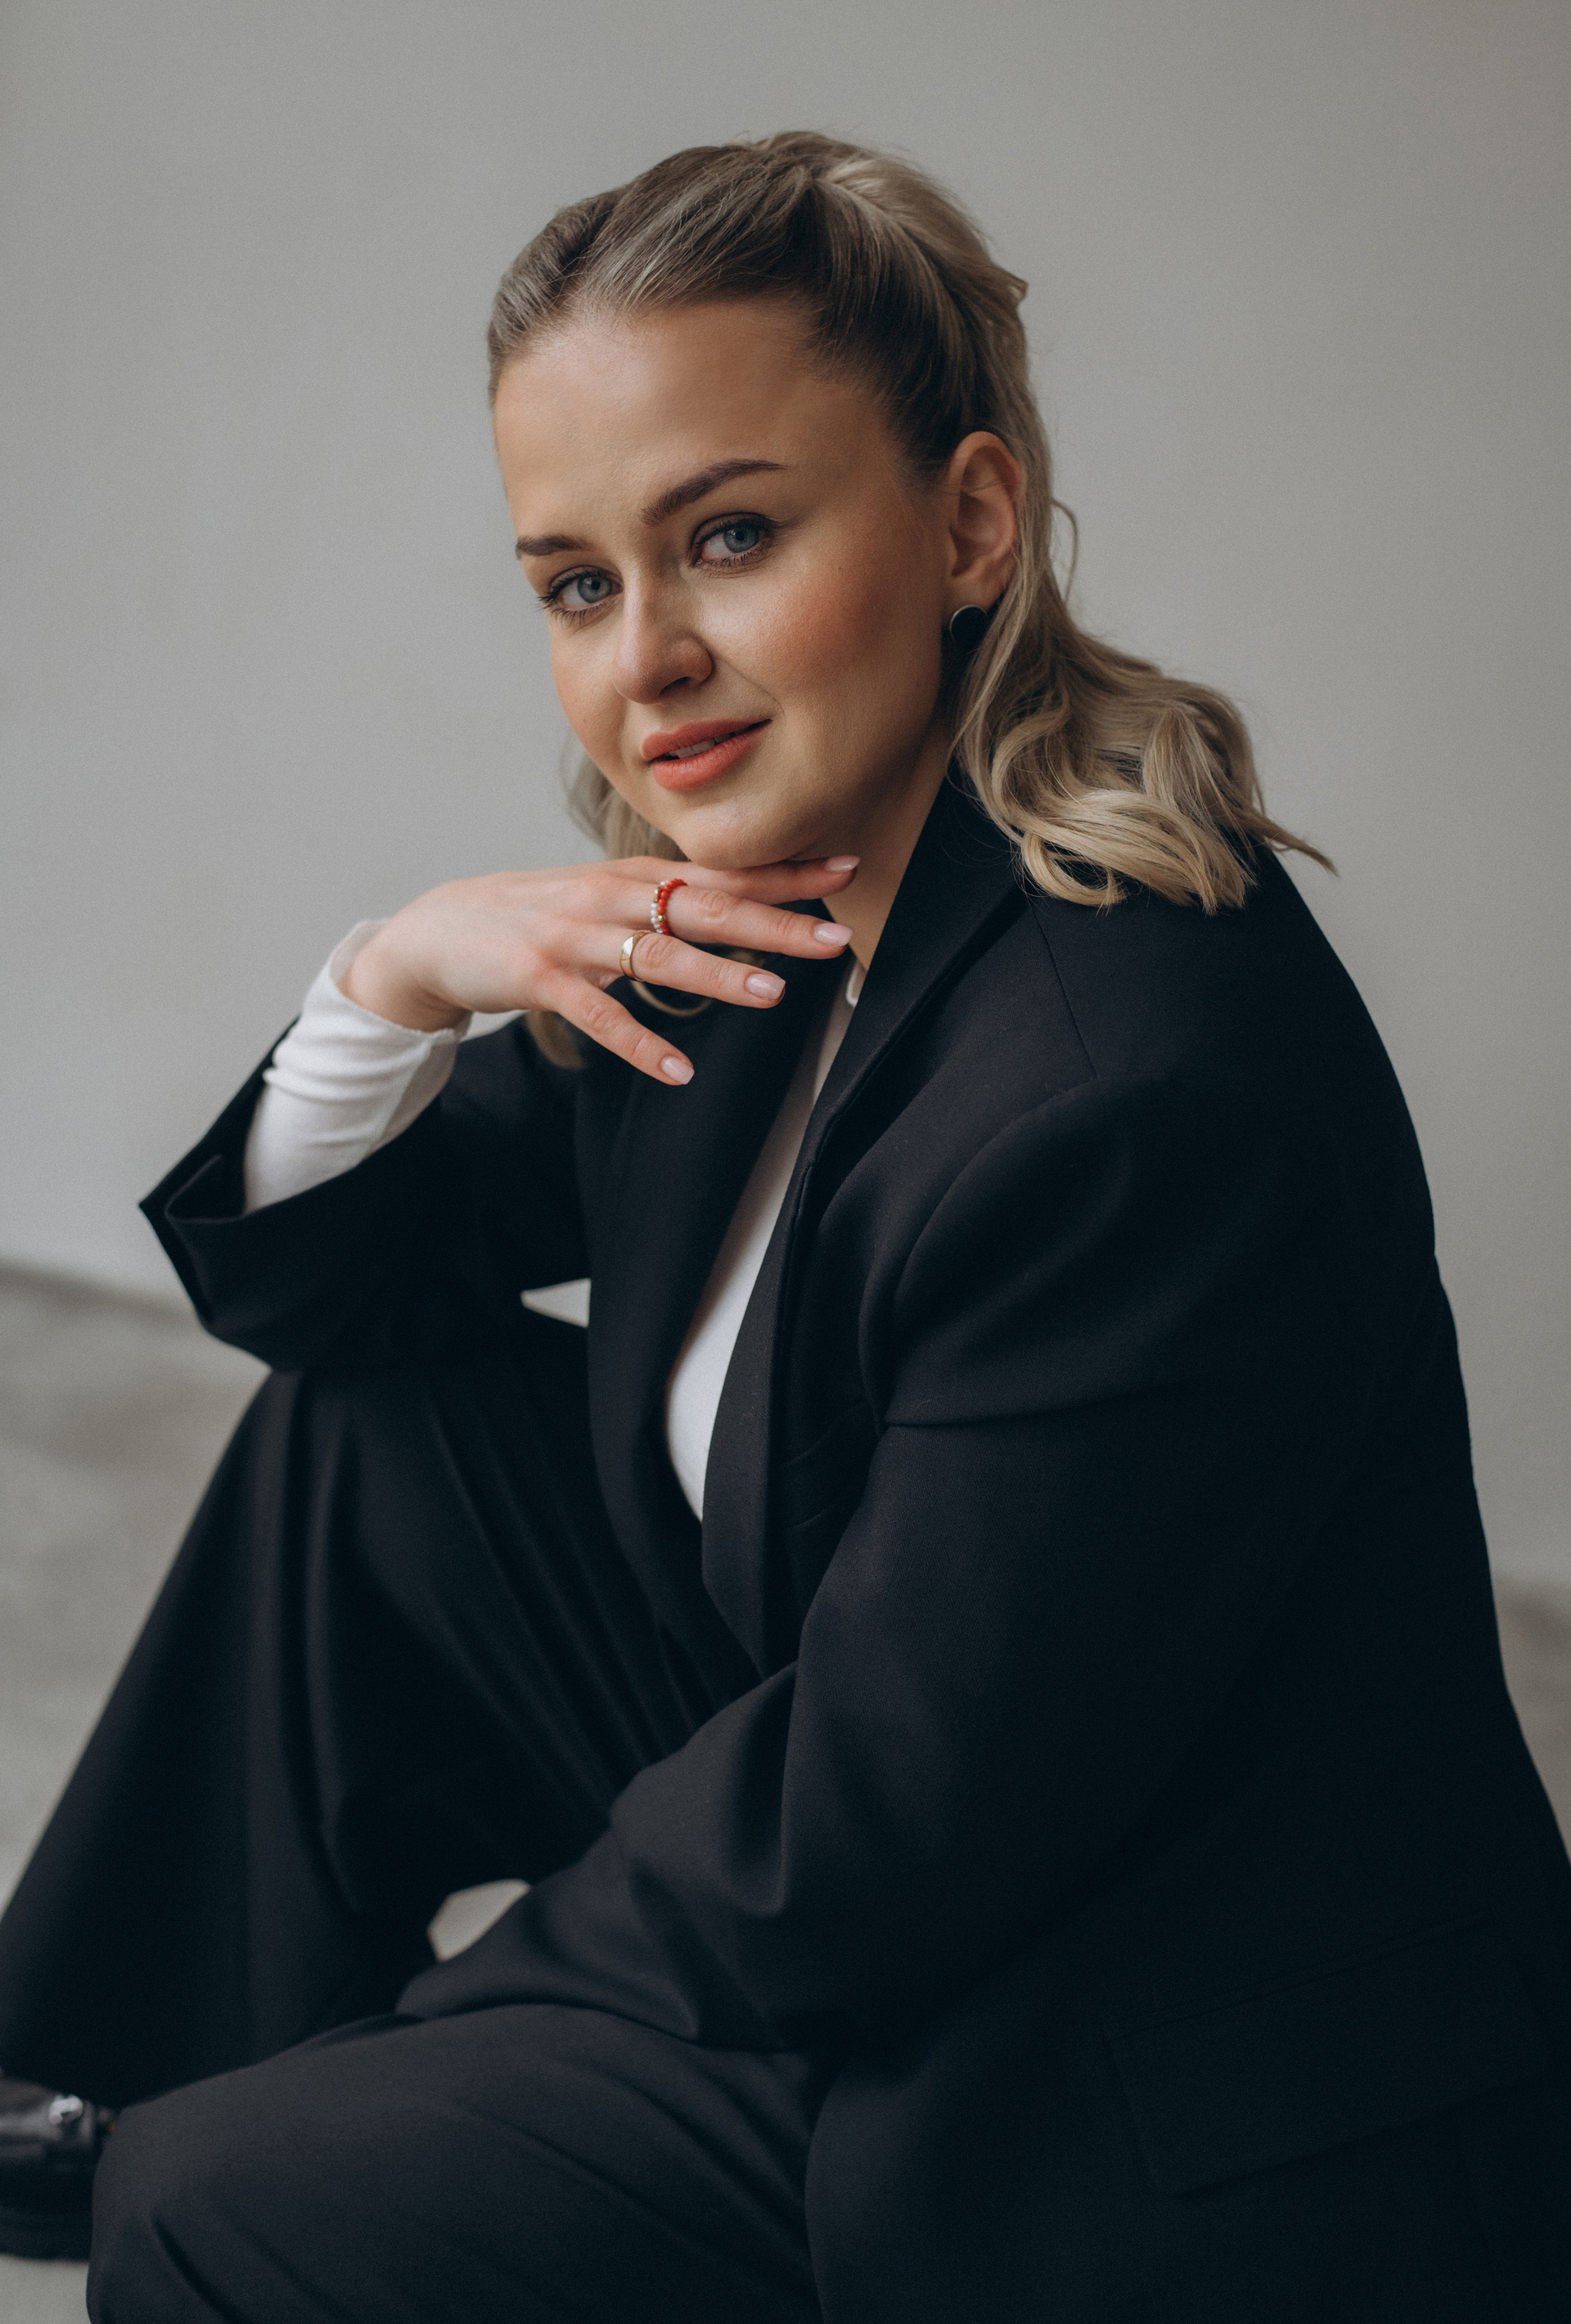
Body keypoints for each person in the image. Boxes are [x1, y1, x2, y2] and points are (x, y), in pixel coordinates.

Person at [1, 130, 1566, 2322]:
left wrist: (387, 2079)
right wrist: (393, 978)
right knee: (377, 1449)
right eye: (575, 583)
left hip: (1140, 2070)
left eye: (727, 536)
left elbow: (866, 1841)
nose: (647, 659)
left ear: (971, 523)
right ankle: (96, 2073)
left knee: (225, 2204)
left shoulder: (1132, 1095)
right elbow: (326, 1294)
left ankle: (202, 2153)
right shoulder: (775, 908)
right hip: (954, 1806)